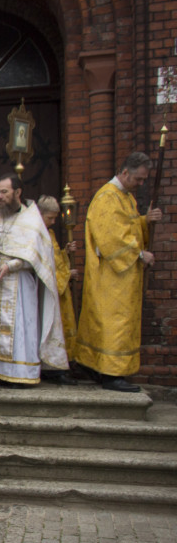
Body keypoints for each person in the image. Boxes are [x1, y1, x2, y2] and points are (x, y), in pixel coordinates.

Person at [0, 175, 68, 387]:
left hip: (17, 282)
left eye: (4, 192)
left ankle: (20, 373)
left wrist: (11, 266)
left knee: (18, 327)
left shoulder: (32, 220)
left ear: (17, 193)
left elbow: (38, 256)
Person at [74, 152, 163, 392]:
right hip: (111, 277)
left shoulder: (126, 197)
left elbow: (128, 227)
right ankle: (111, 373)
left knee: (117, 321)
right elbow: (110, 237)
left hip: (123, 277)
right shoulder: (107, 197)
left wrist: (146, 221)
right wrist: (140, 254)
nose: (141, 184)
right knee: (114, 322)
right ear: (124, 172)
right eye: (139, 179)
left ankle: (100, 368)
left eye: (144, 179)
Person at [37, 195, 79, 379]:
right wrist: (67, 275)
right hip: (47, 290)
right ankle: (50, 367)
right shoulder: (37, 233)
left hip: (59, 289)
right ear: (40, 214)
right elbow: (43, 264)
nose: (53, 222)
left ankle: (62, 363)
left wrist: (65, 253)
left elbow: (55, 259)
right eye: (50, 218)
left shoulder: (50, 233)